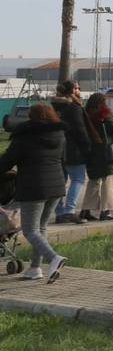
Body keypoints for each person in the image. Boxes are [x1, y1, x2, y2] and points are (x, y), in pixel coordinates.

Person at [0, 103, 69, 282]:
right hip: (57, 186)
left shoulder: (25, 136)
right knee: (41, 227)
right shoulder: (59, 134)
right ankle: (35, 268)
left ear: (31, 117)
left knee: (30, 230)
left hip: (34, 187)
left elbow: (7, 161)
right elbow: (63, 159)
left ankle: (54, 258)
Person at [51, 80, 94, 225]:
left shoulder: (54, 107)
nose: (79, 90)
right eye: (77, 88)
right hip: (73, 150)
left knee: (59, 183)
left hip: (57, 150)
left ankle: (59, 213)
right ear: (71, 91)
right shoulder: (73, 108)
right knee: (78, 179)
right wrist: (88, 148)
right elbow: (80, 131)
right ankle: (69, 211)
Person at [82, 92, 113, 221]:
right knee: (109, 181)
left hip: (91, 152)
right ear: (102, 103)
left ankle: (86, 210)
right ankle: (105, 211)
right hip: (105, 152)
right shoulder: (103, 115)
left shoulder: (85, 115)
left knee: (93, 181)